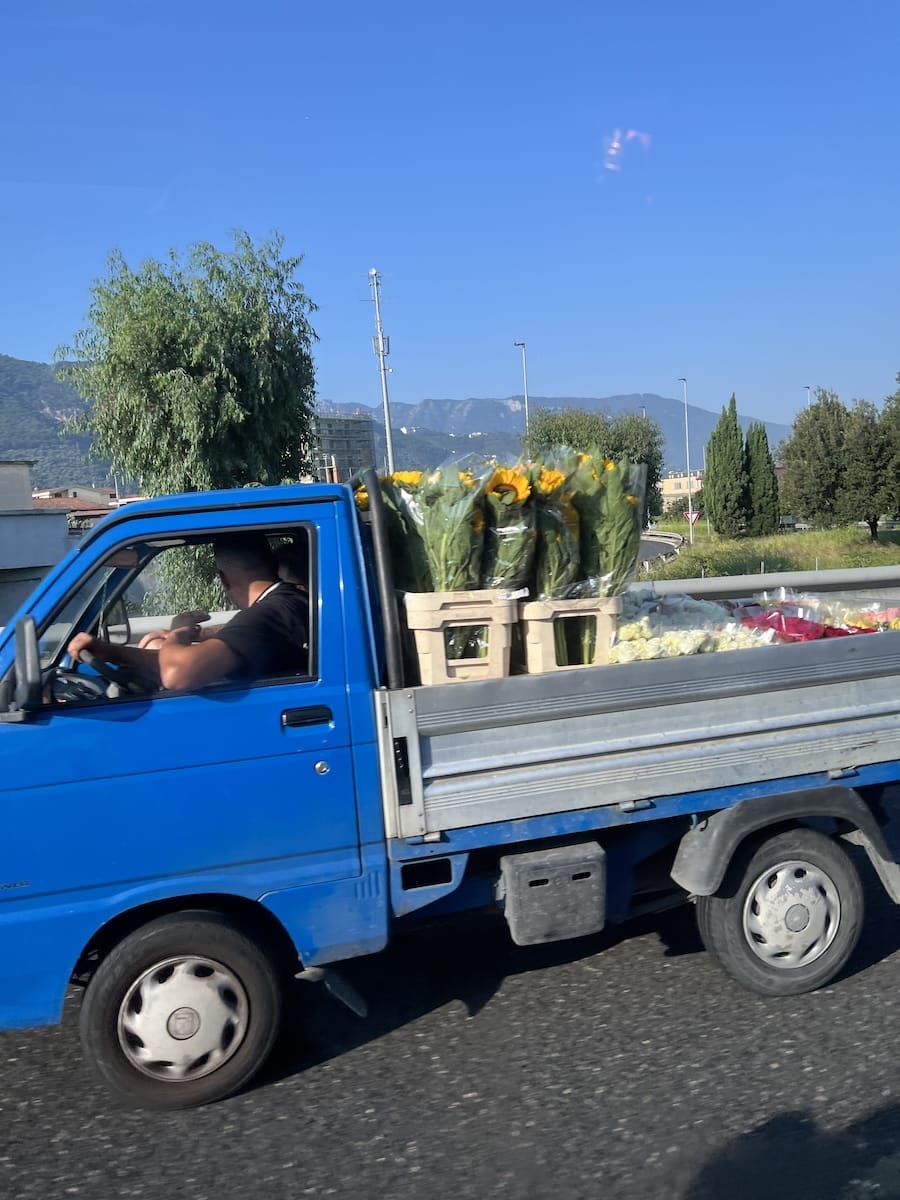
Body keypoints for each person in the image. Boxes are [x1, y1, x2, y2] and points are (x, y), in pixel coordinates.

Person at [67, 533, 309, 692]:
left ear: (223, 579)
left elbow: (177, 674)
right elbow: (205, 660)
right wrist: (114, 653)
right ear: (273, 566)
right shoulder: (287, 603)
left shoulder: (268, 615)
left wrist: (178, 632)